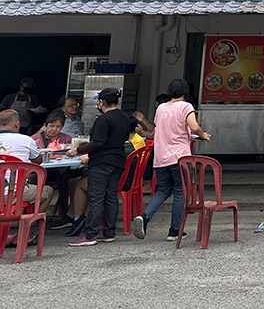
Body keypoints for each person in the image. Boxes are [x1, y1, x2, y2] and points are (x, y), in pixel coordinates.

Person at [130, 79, 211, 242]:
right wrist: (203, 135)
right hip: (179, 156)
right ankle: (174, 231)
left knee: (163, 190)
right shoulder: (186, 106)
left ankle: (145, 217)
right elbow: (194, 126)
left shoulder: (161, 108)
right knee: (181, 191)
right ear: (185, 92)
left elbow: (157, 129)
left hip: (161, 157)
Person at [68, 87, 132, 246]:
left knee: (96, 198)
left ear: (102, 102)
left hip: (101, 162)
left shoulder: (103, 119)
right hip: (117, 161)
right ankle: (109, 232)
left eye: (98, 101)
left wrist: (78, 150)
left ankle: (90, 234)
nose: (97, 104)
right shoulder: (124, 117)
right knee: (110, 197)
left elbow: (98, 142)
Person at [0, 108, 56, 216]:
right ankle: (28, 222)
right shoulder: (26, 140)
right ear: (17, 125)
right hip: (16, 192)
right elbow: (38, 161)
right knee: (49, 191)